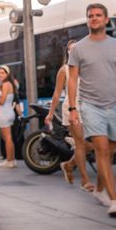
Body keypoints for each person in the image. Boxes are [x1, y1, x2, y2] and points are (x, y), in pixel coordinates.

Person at [68, 3, 116, 217]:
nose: (94, 18)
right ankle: (115, 200)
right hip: (90, 105)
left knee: (110, 152)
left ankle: (100, 189)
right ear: (88, 20)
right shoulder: (78, 49)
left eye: (98, 15)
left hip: (115, 105)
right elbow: (73, 79)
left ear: (105, 20)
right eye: (90, 15)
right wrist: (73, 108)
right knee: (102, 149)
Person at [45, 40, 94, 191]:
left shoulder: (88, 68)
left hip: (89, 108)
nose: (72, 52)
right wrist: (51, 113)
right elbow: (57, 93)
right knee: (80, 144)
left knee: (93, 145)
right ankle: (85, 181)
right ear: (67, 53)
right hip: (72, 108)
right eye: (69, 50)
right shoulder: (64, 70)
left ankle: (68, 165)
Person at [0, 65, 17, 168]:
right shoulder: (9, 84)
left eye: (2, 73)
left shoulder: (5, 84)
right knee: (8, 137)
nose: (0, 75)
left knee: (7, 138)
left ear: (7, 74)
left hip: (4, 113)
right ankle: (12, 159)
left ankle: (9, 160)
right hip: (8, 112)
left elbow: (2, 101)